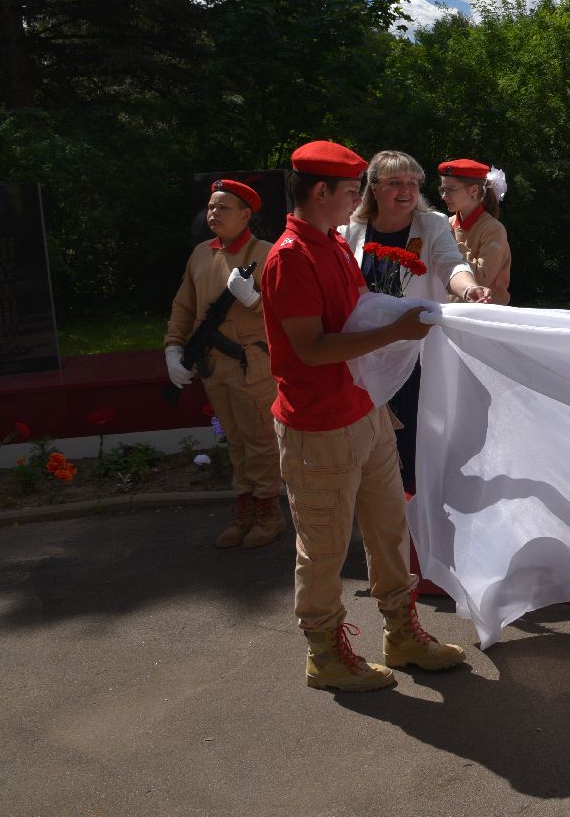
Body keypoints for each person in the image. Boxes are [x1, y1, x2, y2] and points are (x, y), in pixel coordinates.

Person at [262, 140, 466, 692]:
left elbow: (355, 312)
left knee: (389, 530)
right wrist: (400, 330)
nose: (358, 202)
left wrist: (410, 316)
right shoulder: (290, 257)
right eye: (353, 191)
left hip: (363, 409)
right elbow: (311, 348)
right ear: (321, 191)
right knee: (325, 547)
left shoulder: (327, 243)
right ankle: (325, 654)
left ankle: (402, 633)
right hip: (319, 424)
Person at [344, 151, 481, 493]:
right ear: (373, 188)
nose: (405, 190)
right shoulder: (349, 230)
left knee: (416, 441)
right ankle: (385, 521)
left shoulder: (431, 224)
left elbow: (451, 264)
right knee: (372, 447)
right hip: (364, 356)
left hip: (414, 357)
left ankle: (417, 520)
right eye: (394, 183)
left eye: (412, 183)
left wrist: (469, 289)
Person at [164, 178, 284, 549]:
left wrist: (255, 301)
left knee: (260, 439)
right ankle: (245, 509)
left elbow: (288, 310)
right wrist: (172, 347)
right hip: (213, 365)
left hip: (252, 364)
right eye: (211, 207)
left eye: (222, 208)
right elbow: (184, 305)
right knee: (233, 440)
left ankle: (269, 512)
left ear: (246, 214)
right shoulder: (201, 254)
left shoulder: (267, 253)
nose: (213, 213)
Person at [437, 158, 511, 305]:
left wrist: (450, 242)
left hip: (483, 317)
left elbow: (480, 280)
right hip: (451, 312)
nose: (444, 196)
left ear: (474, 190)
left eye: (450, 189)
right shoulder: (447, 223)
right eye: (443, 189)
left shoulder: (493, 229)